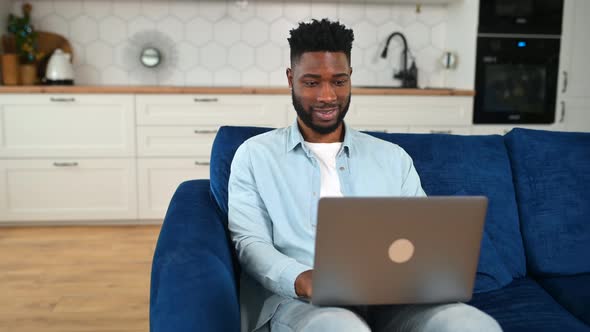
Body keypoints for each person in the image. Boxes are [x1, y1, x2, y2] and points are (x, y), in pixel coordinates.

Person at [228, 18, 502, 332]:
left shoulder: (392, 157)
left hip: (394, 302)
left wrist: (428, 275)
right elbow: (249, 243)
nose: (327, 96)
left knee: (472, 324)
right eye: (312, 82)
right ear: (291, 79)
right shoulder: (256, 155)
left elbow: (424, 238)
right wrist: (302, 280)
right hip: (304, 304)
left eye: (339, 81)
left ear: (351, 79)